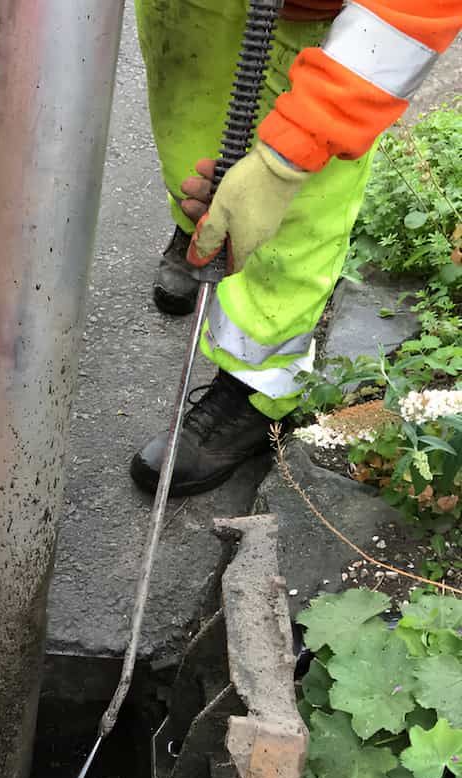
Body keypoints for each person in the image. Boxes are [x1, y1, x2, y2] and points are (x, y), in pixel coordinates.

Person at [130, 0, 462, 497]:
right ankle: (198, 235)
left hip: (314, 14)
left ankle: (254, 388)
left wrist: (291, 153)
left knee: (300, 204)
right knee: (190, 129)